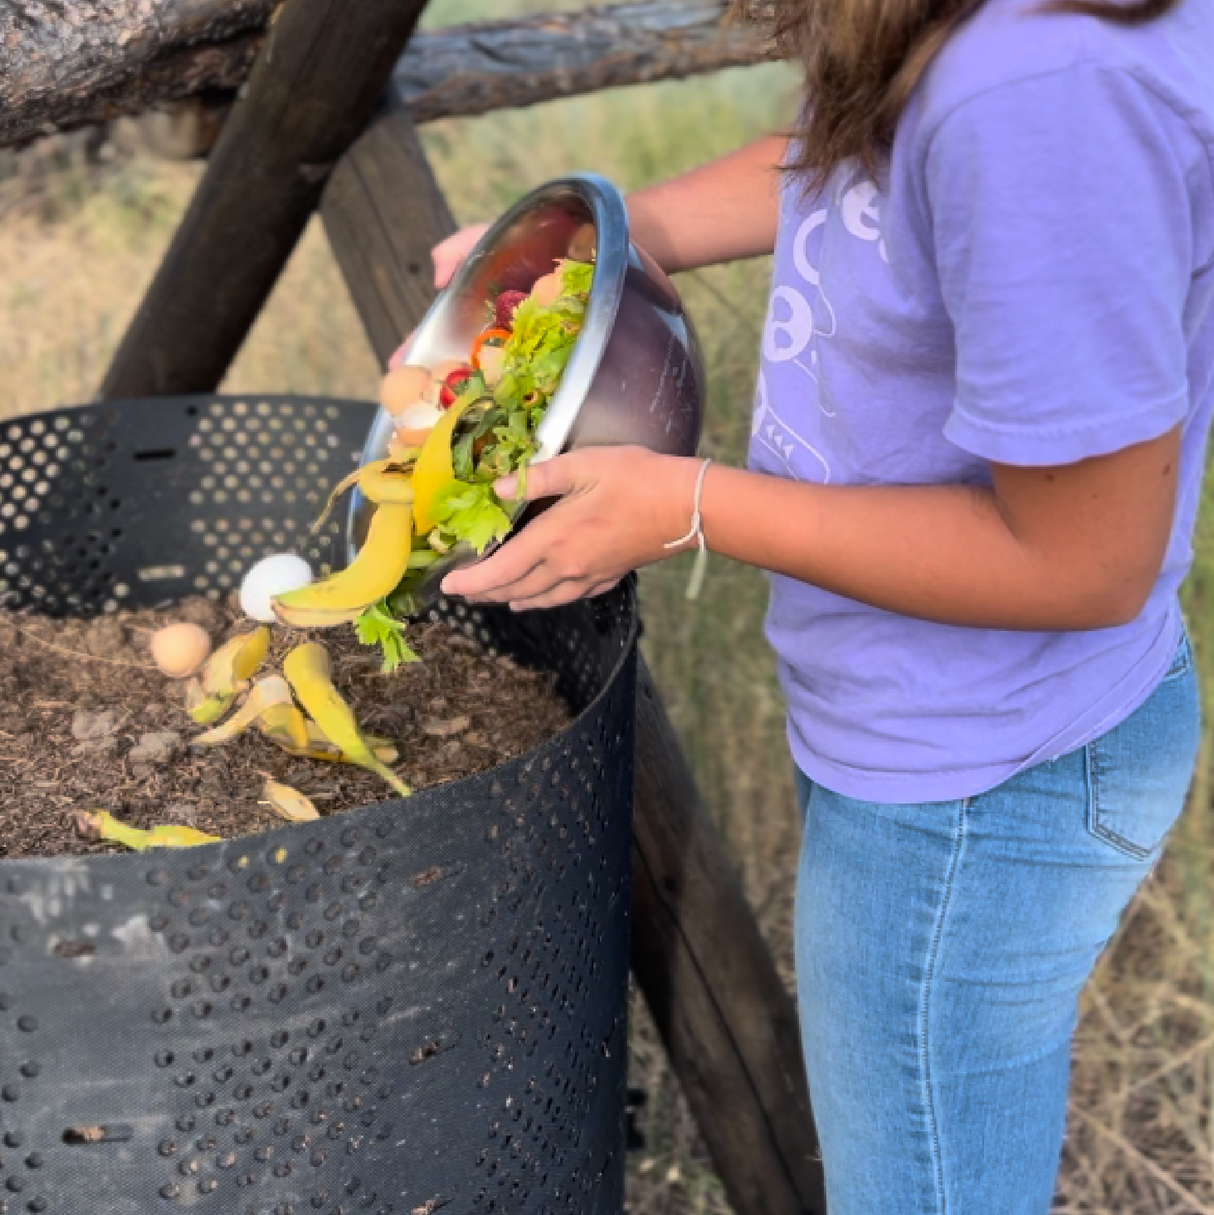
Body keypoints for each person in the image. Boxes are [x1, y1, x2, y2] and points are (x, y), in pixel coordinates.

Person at [407, 0, 1214, 1209]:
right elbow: (847, 160)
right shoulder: (959, 36)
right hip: (937, 735)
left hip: (978, 780)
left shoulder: (1037, 92)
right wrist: (607, 250)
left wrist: (688, 505)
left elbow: (1084, 564)